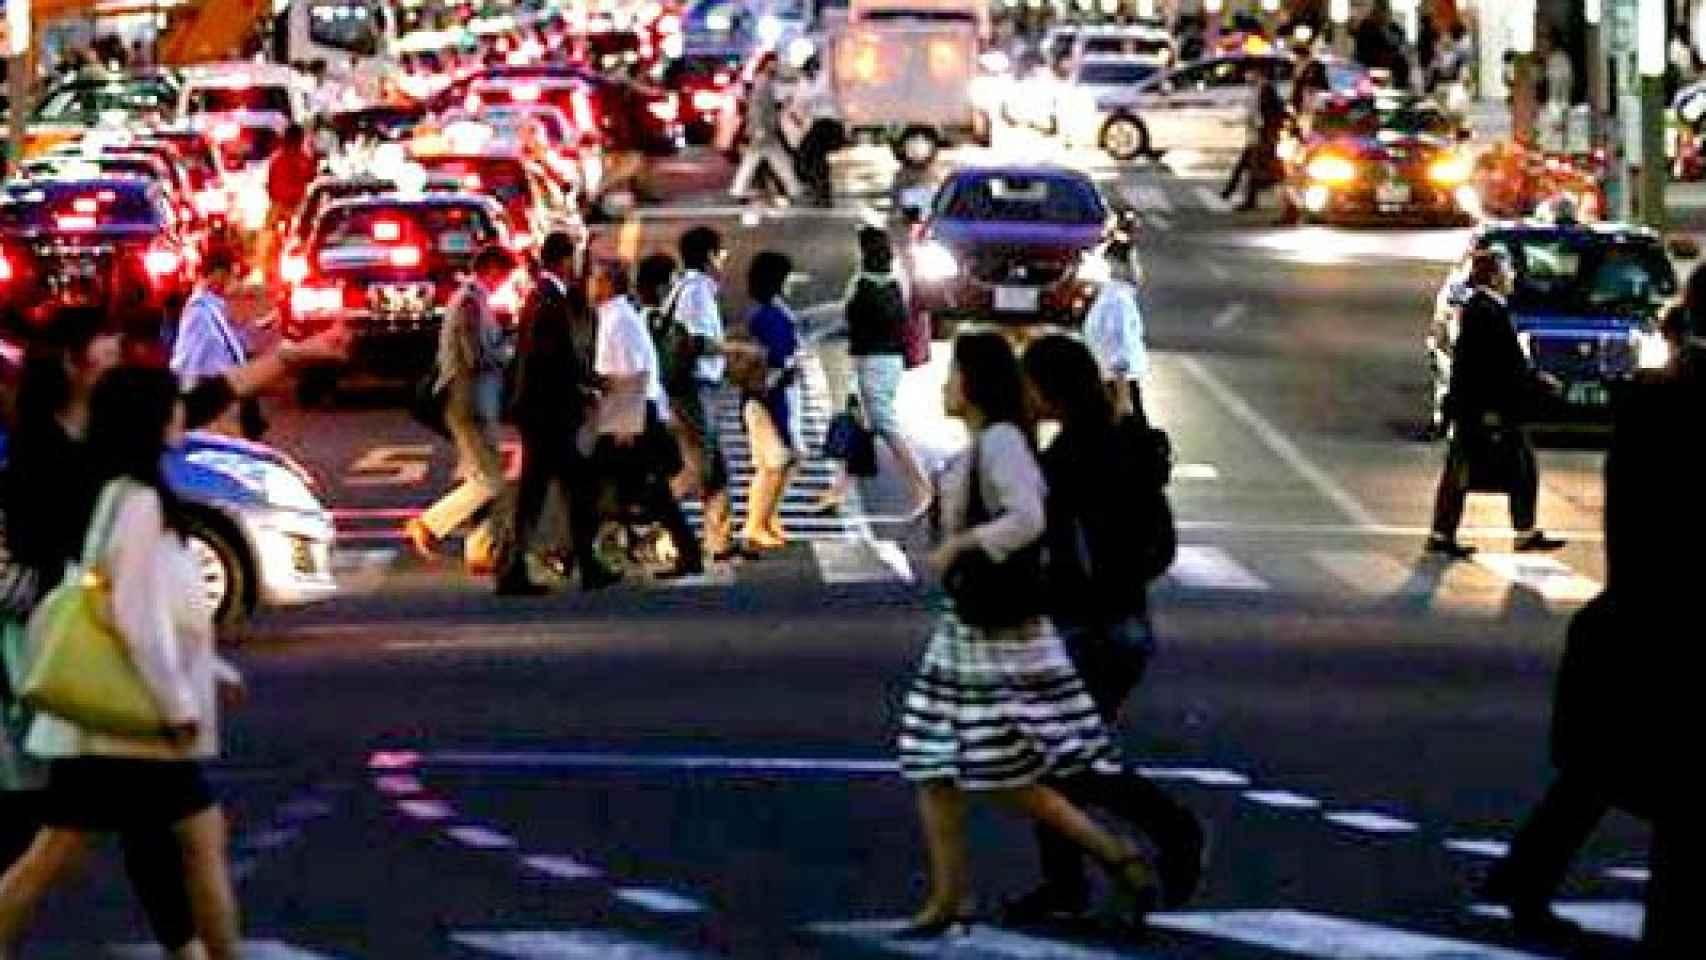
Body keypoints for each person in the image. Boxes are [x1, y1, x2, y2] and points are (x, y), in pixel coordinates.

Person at [898, 332, 1162, 934]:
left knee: (975, 764)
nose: (945, 386)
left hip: (992, 633)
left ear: (975, 383)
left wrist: (963, 545)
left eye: (952, 375)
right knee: (954, 763)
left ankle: (962, 894)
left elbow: (1027, 519)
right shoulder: (990, 443)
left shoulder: (1001, 445)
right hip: (969, 628)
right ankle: (954, 894)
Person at [0, 365, 244, 960]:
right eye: (171, 407)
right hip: (132, 725)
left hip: (116, 728)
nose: (181, 416)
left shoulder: (123, 494)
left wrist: (212, 673)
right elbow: (135, 618)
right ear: (150, 421)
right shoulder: (135, 504)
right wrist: (179, 704)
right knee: (195, 844)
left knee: (60, 852)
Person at [1482, 344, 1702, 953]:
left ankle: (1525, 876)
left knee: (1598, 773)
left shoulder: (1651, 402)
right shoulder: (1679, 408)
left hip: (1629, 618)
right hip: (1664, 626)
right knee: (1654, 782)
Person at [1003, 335, 1204, 924]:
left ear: (1048, 389)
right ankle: (1066, 883)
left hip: (1087, 629)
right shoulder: (1117, 444)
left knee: (1058, 762)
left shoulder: (1071, 460)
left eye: (1029, 384)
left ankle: (1172, 831)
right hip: (1123, 622)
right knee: (1057, 759)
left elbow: (1052, 551)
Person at [497, 232, 619, 597]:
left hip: (542, 412)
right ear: (566, 260)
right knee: (566, 490)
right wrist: (594, 382)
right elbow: (554, 359)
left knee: (545, 493)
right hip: (548, 413)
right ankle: (563, 564)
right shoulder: (549, 300)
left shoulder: (542, 296)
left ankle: (533, 566)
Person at [1427, 250, 1565, 559]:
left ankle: (1519, 531)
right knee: (1478, 469)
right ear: (1494, 276)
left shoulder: (1483, 309)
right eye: (1508, 272)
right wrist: (1537, 383)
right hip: (1485, 408)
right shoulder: (1485, 311)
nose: (1513, 277)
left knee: (1508, 468)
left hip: (1481, 406)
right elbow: (1497, 364)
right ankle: (1445, 534)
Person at [405, 246, 517, 573]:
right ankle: (429, 523)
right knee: (490, 481)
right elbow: (475, 355)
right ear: (492, 270)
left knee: (480, 476)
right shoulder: (469, 302)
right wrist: (507, 352)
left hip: (477, 399)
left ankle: (479, 551)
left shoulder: (472, 300)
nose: (505, 284)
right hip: (468, 400)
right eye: (505, 276)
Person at [590, 260, 703, 580]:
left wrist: (624, 425)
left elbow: (630, 374)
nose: (590, 286)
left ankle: (595, 552)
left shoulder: (619, 320)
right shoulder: (615, 316)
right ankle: (679, 549)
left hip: (633, 413)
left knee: (633, 487)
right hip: (633, 411)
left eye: (596, 280)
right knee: (644, 490)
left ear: (609, 284)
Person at [815, 227, 931, 517]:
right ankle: (837, 492)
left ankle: (923, 486)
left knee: (883, 425)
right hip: (889, 362)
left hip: (870, 363)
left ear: (864, 252)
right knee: (858, 427)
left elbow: (846, 320)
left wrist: (813, 334)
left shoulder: (861, 284)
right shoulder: (897, 283)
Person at [665, 227, 745, 565]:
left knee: (714, 466)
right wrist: (731, 349)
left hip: (700, 388)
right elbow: (696, 343)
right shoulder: (695, 292)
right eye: (721, 253)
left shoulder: (694, 289)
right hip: (693, 390)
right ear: (710, 256)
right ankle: (657, 520)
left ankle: (720, 539)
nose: (723, 261)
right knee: (700, 467)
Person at [169, 246, 266, 440]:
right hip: (209, 385)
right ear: (217, 273)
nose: (230, 281)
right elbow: (192, 354)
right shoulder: (199, 309)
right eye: (229, 275)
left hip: (221, 384)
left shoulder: (212, 305)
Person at [740, 252, 801, 551]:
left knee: (780, 461)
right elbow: (775, 357)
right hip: (764, 399)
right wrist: (789, 366)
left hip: (770, 396)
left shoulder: (768, 312)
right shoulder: (769, 316)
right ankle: (755, 524)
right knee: (774, 463)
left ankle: (767, 517)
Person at [1080, 240, 1149, 424]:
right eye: (1134, 262)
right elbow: (1120, 348)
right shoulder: (1118, 302)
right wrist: (1123, 400)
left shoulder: (1109, 298)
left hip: (1107, 383)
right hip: (1117, 386)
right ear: (1120, 266)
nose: (1138, 270)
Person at [729, 55, 803, 204]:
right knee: (772, 160)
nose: (775, 66)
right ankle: (794, 189)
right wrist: (758, 128)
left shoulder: (765, 81)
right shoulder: (762, 82)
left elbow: (763, 107)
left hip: (765, 129)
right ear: (766, 64)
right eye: (773, 63)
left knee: (766, 160)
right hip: (763, 129)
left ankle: (738, 190)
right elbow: (756, 108)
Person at [1221, 70, 1287, 212]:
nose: (1247, 76)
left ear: (1259, 75)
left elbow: (1270, 114)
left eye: (1250, 73)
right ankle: (1233, 192)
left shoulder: (1267, 91)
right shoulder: (1259, 90)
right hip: (1259, 134)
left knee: (1255, 167)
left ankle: (1236, 194)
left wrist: (1264, 129)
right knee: (1248, 164)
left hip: (1264, 135)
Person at [259, 125, 318, 280]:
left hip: (287, 205)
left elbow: (269, 184)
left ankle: (269, 267)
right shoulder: (300, 158)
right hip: (290, 205)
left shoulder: (279, 159)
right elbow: (310, 177)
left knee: (269, 235)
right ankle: (269, 267)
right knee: (271, 235)